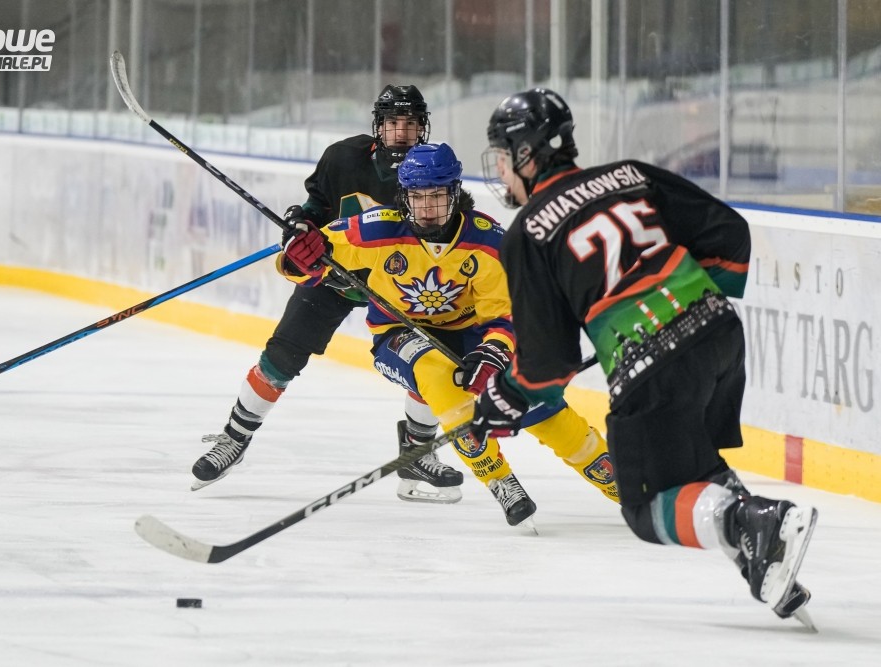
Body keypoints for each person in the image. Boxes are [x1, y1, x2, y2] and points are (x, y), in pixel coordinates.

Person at [472, 88, 817, 621]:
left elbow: (548, 365)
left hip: (652, 364)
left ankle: (754, 522)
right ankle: (760, 555)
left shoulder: (528, 233)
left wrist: (506, 395)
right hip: (721, 336)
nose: (500, 169)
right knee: (692, 463)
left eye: (502, 156)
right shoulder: (629, 175)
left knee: (643, 507)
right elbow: (730, 234)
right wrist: (696, 296)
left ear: (526, 154)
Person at [278, 142, 619, 527]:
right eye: (418, 197)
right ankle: (499, 480)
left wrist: (494, 353)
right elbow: (315, 259)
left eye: (437, 196)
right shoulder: (377, 228)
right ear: (404, 196)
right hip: (398, 333)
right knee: (437, 374)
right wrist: (299, 254)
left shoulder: (488, 242)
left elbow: (504, 314)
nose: (427, 207)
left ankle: (623, 486)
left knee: (542, 407)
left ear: (455, 193)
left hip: (472, 334)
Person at [192, 85, 464, 504]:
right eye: (393, 123)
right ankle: (235, 438)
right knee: (282, 356)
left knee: (432, 360)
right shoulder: (343, 158)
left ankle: (416, 451)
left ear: (422, 127)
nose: (401, 132)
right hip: (335, 279)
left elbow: (451, 231)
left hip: (400, 288)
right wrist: (299, 227)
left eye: (410, 123)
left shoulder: (433, 172)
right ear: (379, 125)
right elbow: (314, 209)